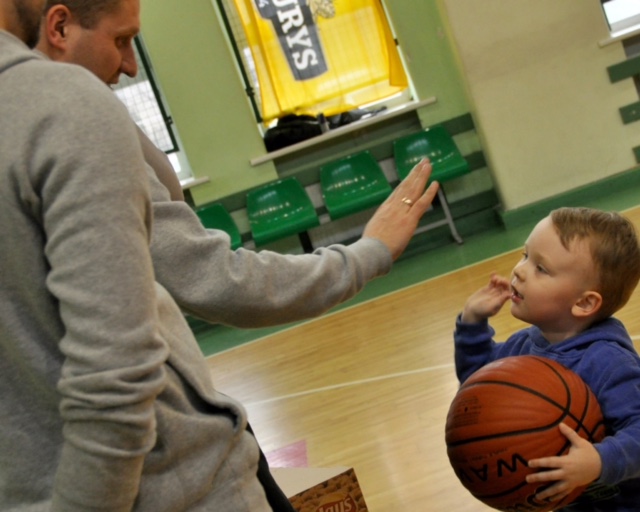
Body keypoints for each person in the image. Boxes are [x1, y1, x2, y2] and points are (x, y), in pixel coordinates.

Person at [1, 2, 440, 511]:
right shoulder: (62, 113)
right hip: (174, 486)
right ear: (58, 26)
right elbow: (202, 287)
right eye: (121, 40)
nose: (130, 67)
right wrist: (366, 254)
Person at [453, 207, 640, 511]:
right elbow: (478, 392)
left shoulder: (608, 362)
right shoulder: (523, 346)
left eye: (542, 268)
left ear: (584, 302)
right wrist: (472, 324)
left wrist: (600, 461)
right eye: (525, 255)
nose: (519, 270)